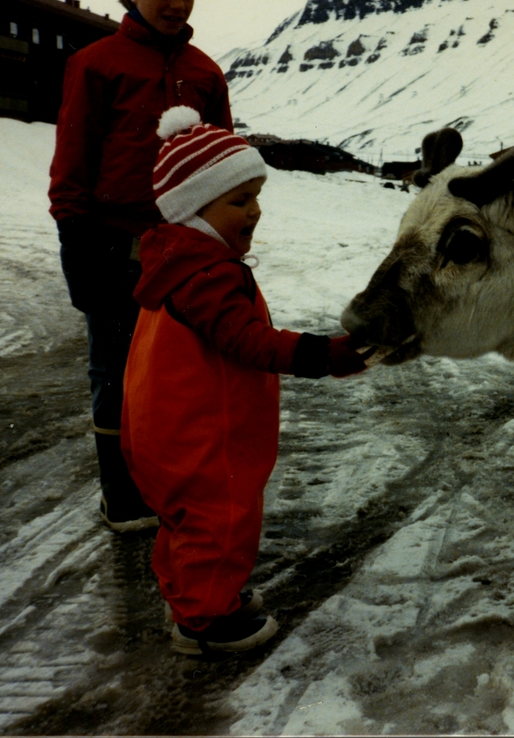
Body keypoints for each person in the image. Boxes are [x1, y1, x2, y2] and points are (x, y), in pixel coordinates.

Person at [122, 106, 367, 655]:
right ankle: (204, 621)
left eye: (257, 196)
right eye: (239, 200)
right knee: (221, 522)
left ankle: (189, 594)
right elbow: (250, 342)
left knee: (184, 523)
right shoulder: (206, 275)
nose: (255, 211)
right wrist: (327, 355)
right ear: (192, 208)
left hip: (165, 434)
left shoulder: (176, 260)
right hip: (205, 438)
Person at [48, 0, 231, 531]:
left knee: (182, 371)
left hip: (185, 244)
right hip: (109, 242)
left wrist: (224, 236)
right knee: (116, 370)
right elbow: (73, 160)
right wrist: (76, 242)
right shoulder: (95, 64)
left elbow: (220, 167)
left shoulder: (206, 73)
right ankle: (121, 494)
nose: (177, 3)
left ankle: (173, 482)